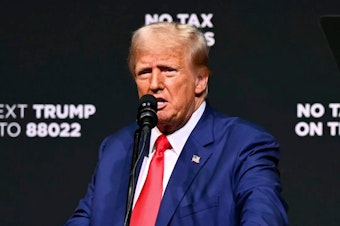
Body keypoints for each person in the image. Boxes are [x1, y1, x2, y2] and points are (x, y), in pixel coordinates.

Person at [65, 22, 288, 226]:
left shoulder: (242, 145)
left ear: (200, 80)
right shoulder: (117, 148)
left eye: (168, 70)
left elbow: (265, 220)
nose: (154, 84)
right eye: (144, 72)